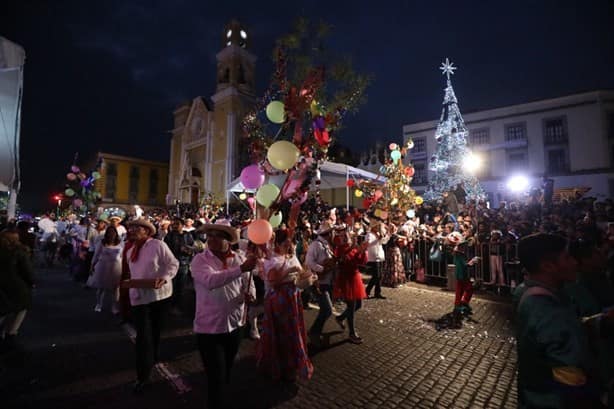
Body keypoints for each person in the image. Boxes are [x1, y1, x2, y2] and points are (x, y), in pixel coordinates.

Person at [513, 233, 603, 408]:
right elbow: (570, 376)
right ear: (548, 266)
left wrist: (600, 322)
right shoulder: (546, 307)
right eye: (567, 257)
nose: (575, 263)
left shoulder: (526, 292)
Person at [190, 219, 257, 409]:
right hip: (209, 327)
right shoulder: (200, 260)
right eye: (209, 235)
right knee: (216, 375)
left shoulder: (239, 258)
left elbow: (248, 282)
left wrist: (250, 294)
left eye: (217, 236)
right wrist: (241, 269)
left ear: (228, 240)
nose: (211, 239)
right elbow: (211, 281)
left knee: (226, 368)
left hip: (235, 324)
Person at [123, 218, 179, 393]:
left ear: (147, 231)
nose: (131, 230)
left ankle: (152, 357)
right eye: (131, 227)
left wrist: (164, 277)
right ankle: (143, 376)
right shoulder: (130, 250)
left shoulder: (157, 245)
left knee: (154, 331)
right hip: (139, 298)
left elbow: (173, 264)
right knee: (143, 337)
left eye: (136, 227)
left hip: (160, 296)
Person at [257, 229, 314, 381]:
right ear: (278, 244)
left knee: (293, 331)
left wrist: (307, 275)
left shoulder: (292, 255)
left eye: (290, 244)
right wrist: (289, 270)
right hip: (280, 299)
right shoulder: (271, 259)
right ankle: (279, 365)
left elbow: (301, 272)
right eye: (285, 244)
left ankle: (293, 365)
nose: (289, 247)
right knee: (282, 332)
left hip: (293, 298)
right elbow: (272, 282)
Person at [0, 228, 35, 352]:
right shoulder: (19, 251)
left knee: (3, 310)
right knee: (20, 309)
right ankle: (11, 334)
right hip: (16, 286)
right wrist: (32, 282)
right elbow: (27, 271)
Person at [333, 230, 368, 344]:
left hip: (355, 277)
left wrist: (362, 251)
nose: (348, 236)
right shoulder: (340, 248)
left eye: (348, 235)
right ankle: (352, 333)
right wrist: (353, 248)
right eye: (345, 235)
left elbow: (360, 262)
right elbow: (342, 259)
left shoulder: (352, 247)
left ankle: (340, 318)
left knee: (358, 304)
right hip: (346, 279)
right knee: (352, 306)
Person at [305, 221, 336, 347]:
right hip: (319, 282)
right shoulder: (315, 245)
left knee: (326, 309)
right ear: (328, 234)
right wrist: (323, 269)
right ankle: (314, 332)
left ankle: (316, 331)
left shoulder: (326, 245)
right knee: (327, 310)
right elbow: (309, 263)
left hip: (326, 281)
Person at [163, 218, 195, 314]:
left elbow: (193, 248)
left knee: (181, 287)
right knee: (172, 286)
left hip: (183, 264)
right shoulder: (169, 236)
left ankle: (179, 306)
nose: (175, 226)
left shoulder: (188, 235)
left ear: (182, 225)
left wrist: (188, 251)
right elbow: (165, 250)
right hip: (171, 265)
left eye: (177, 224)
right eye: (174, 224)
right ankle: (170, 306)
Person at [88, 226, 122, 314]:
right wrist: (92, 265)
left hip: (116, 267)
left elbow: (123, 255)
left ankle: (114, 307)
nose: (112, 234)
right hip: (103, 267)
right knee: (101, 288)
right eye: (110, 232)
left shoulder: (120, 242)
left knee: (116, 289)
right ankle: (99, 304)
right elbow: (96, 255)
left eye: (113, 232)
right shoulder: (102, 242)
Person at [365, 222, 389, 299]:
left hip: (379, 256)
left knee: (379, 276)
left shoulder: (377, 234)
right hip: (373, 257)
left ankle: (377, 292)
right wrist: (377, 239)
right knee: (376, 276)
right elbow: (368, 244)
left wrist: (388, 235)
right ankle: (367, 291)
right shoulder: (369, 234)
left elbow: (383, 242)